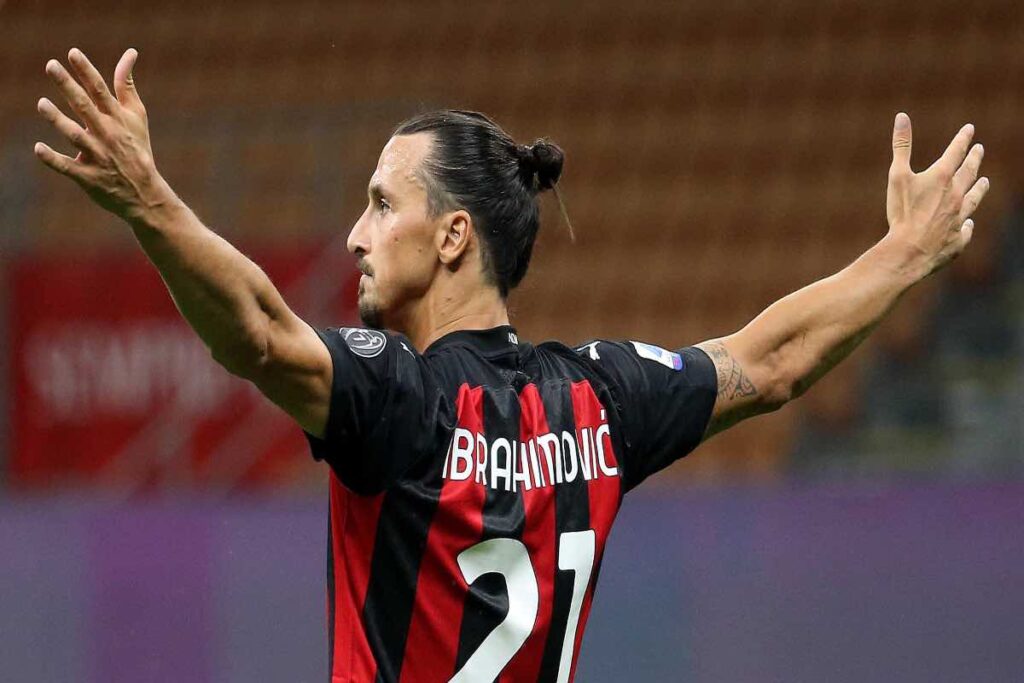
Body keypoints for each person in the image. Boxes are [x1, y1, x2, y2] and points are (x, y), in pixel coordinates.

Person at [34, 48, 989, 682]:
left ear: (453, 236)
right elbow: (769, 362)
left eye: (381, 204)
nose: (356, 234)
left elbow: (254, 332)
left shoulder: (399, 400)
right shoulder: (599, 399)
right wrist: (904, 253)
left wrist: (148, 201)